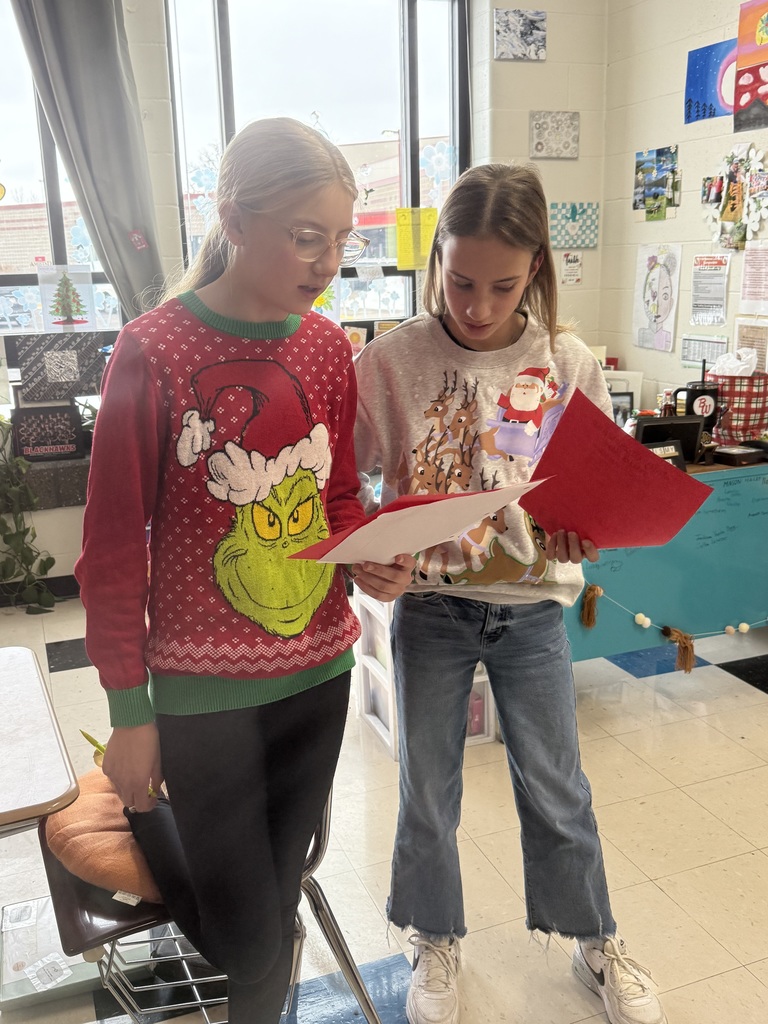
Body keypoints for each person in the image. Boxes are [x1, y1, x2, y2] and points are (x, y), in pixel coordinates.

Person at [75, 117, 414, 1024]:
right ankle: (159, 829)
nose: (328, 262)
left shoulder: (328, 348)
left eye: (344, 240)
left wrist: (368, 550)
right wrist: (130, 714)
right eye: (308, 237)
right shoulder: (153, 350)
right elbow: (108, 554)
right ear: (232, 216)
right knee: (248, 936)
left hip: (319, 677)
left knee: (271, 904)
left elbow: (339, 494)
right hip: (198, 696)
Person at [354, 163, 667, 1024]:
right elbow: (344, 489)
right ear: (436, 261)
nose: (479, 306)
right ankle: (434, 934)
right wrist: (361, 559)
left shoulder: (565, 360)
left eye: (503, 284)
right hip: (431, 607)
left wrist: (582, 532)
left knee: (557, 784)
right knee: (429, 785)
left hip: (531, 610)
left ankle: (594, 939)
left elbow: (587, 492)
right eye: (459, 282)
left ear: (536, 268)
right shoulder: (389, 361)